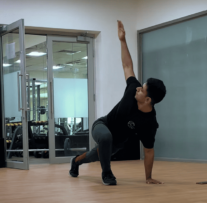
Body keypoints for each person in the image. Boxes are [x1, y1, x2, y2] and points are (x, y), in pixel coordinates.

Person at [69, 20, 166, 186]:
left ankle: (76, 161)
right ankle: (107, 174)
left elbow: (149, 151)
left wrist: (148, 177)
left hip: (117, 142)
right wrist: (122, 40)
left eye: (142, 90)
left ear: (148, 100)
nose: (138, 89)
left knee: (94, 155)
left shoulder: (149, 123)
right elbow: (127, 65)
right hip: (102, 125)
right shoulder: (132, 88)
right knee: (105, 137)